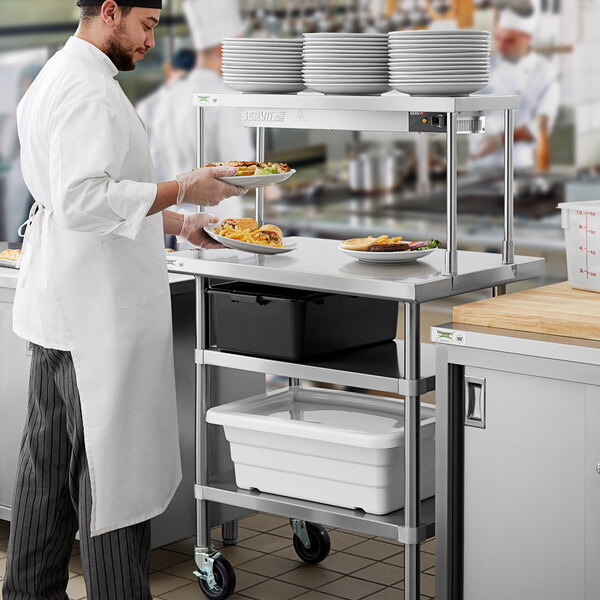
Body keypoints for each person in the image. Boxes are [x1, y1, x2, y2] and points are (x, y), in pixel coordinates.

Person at [2, 2, 245, 599]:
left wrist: (179, 221)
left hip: (61, 310)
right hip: (93, 317)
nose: (150, 40)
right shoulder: (88, 91)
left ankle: (27, 593)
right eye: (147, 24)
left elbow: (94, 194)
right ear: (109, 12)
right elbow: (86, 200)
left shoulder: (60, 75)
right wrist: (185, 182)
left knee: (45, 472)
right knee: (110, 474)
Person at [143, 0, 256, 218]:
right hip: (221, 224)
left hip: (174, 223)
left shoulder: (163, 98)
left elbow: (153, 170)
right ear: (224, 49)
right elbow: (244, 170)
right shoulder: (227, 100)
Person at [470, 4, 560, 172]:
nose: (501, 45)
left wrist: (501, 139)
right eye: (498, 38)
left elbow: (543, 125)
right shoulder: (481, 67)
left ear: (527, 39)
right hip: (479, 165)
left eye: (509, 40)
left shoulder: (545, 72)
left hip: (519, 166)